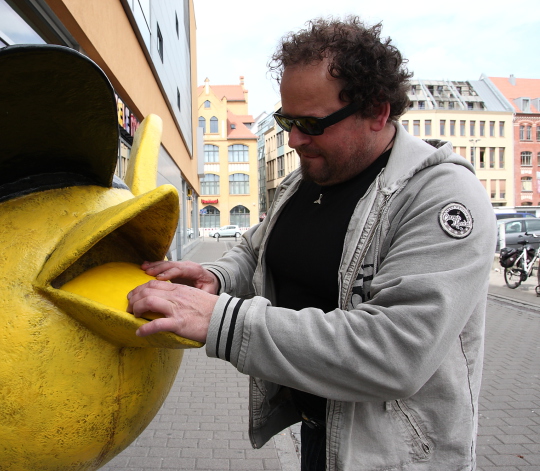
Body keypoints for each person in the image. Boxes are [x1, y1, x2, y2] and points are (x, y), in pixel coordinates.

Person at [127, 16, 496, 471]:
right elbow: (255, 248)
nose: (295, 139)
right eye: (287, 120)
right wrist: (216, 277)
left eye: (311, 123)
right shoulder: (307, 180)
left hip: (394, 456)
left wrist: (223, 320)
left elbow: (397, 352)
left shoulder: (442, 198)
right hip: (320, 435)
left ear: (378, 111)